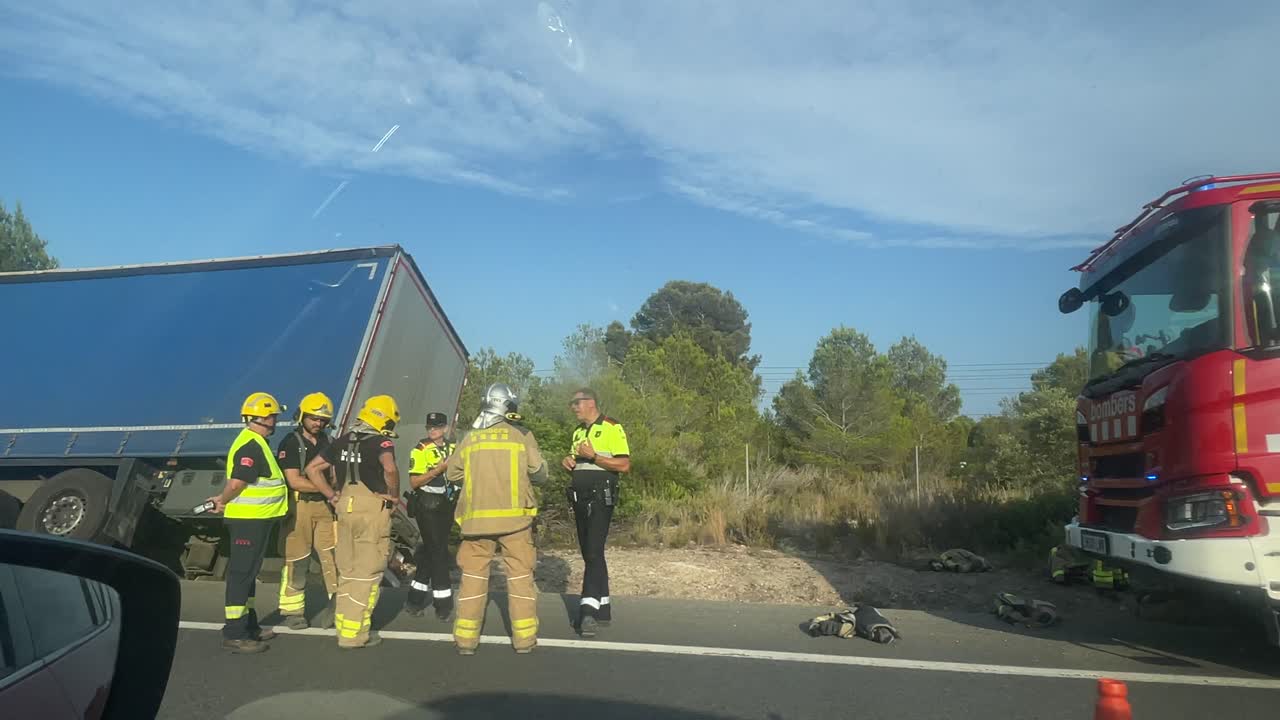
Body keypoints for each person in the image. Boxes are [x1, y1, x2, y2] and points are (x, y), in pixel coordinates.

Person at [445, 383, 547, 655]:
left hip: (476, 522)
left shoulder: (470, 438)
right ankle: (524, 640)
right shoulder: (521, 435)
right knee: (520, 577)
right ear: (509, 405)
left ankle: (466, 641)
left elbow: (452, 475)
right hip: (516, 522)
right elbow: (540, 473)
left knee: (473, 578)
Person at [303, 394, 401, 649]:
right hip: (372, 509)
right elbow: (390, 469)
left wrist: (331, 495)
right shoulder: (382, 442)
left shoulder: (342, 441)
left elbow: (312, 469)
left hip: (345, 507)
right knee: (367, 572)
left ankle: (343, 626)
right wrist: (394, 496)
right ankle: (354, 634)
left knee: (347, 570)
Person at [206, 392, 290, 654]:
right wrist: (222, 500)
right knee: (241, 575)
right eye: (272, 416)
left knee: (249, 574)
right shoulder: (251, 445)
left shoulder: (256, 442)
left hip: (257, 519)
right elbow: (237, 483)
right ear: (262, 418)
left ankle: (249, 625)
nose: (275, 420)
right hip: (248, 521)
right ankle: (235, 633)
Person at [562, 387, 630, 638]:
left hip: (601, 497)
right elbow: (577, 460)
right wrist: (569, 462)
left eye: (576, 403)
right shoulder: (578, 432)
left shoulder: (611, 427)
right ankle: (603, 609)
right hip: (579, 498)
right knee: (591, 552)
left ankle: (588, 610)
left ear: (590, 402)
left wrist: (594, 457)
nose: (573, 408)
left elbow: (624, 465)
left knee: (592, 550)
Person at [275, 392, 340, 630]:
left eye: (323, 420)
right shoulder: (291, 442)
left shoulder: (329, 442)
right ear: (301, 416)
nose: (318, 423)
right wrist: (327, 489)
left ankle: (339, 606)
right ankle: (293, 611)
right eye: (313, 418)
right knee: (297, 559)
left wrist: (335, 491)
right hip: (300, 506)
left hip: (325, 507)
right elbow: (294, 481)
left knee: (333, 557)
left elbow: (335, 474)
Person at [404, 411, 458, 620]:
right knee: (439, 552)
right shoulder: (421, 449)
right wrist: (438, 470)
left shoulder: (453, 447)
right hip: (427, 505)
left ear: (445, 428)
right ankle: (443, 605)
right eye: (430, 427)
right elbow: (414, 482)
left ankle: (414, 600)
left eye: (437, 427)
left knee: (430, 551)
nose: (432, 430)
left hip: (447, 505)